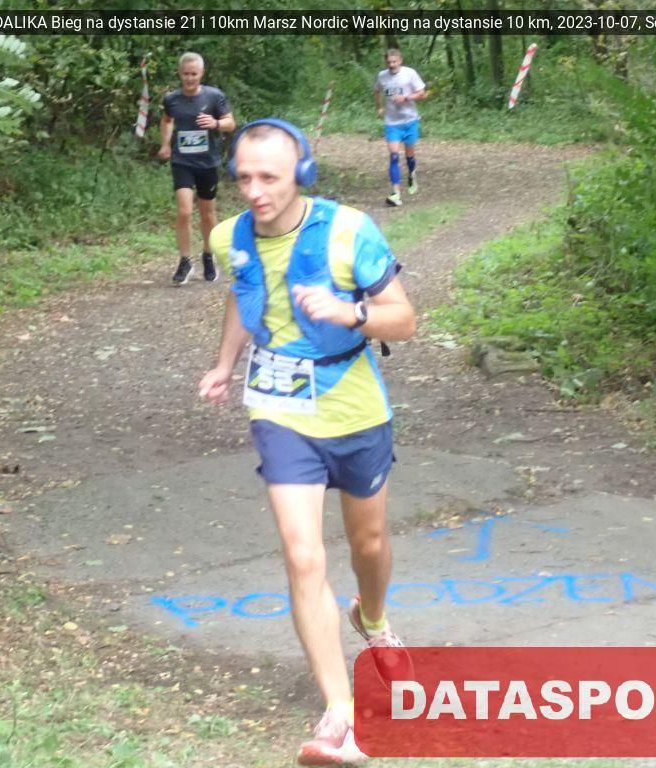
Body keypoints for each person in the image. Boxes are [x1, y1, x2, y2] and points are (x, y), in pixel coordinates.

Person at [198, 119, 416, 766]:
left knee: (368, 545)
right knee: (302, 556)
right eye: (244, 178)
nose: (255, 192)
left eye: (269, 177)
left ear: (302, 172)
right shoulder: (229, 236)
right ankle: (340, 714)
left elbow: (404, 320)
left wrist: (349, 311)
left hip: (354, 405)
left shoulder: (349, 230)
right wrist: (225, 363)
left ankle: (372, 618)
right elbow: (243, 296)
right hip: (279, 409)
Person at [158, 52, 236, 285]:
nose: (189, 78)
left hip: (207, 163)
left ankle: (208, 255)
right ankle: (185, 261)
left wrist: (216, 123)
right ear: (179, 74)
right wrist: (165, 144)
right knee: (184, 211)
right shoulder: (172, 99)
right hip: (182, 162)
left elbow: (231, 123)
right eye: (185, 74)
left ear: (201, 73)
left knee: (207, 213)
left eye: (194, 74)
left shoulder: (214, 96)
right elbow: (167, 120)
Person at [374, 49, 426, 208]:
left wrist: (407, 98)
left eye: (394, 62)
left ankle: (411, 174)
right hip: (392, 123)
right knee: (394, 155)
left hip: (410, 120)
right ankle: (396, 193)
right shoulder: (382, 76)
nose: (391, 65)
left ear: (400, 61)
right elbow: (376, 91)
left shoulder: (409, 74)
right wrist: (379, 107)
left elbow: (422, 93)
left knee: (410, 154)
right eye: (389, 62)